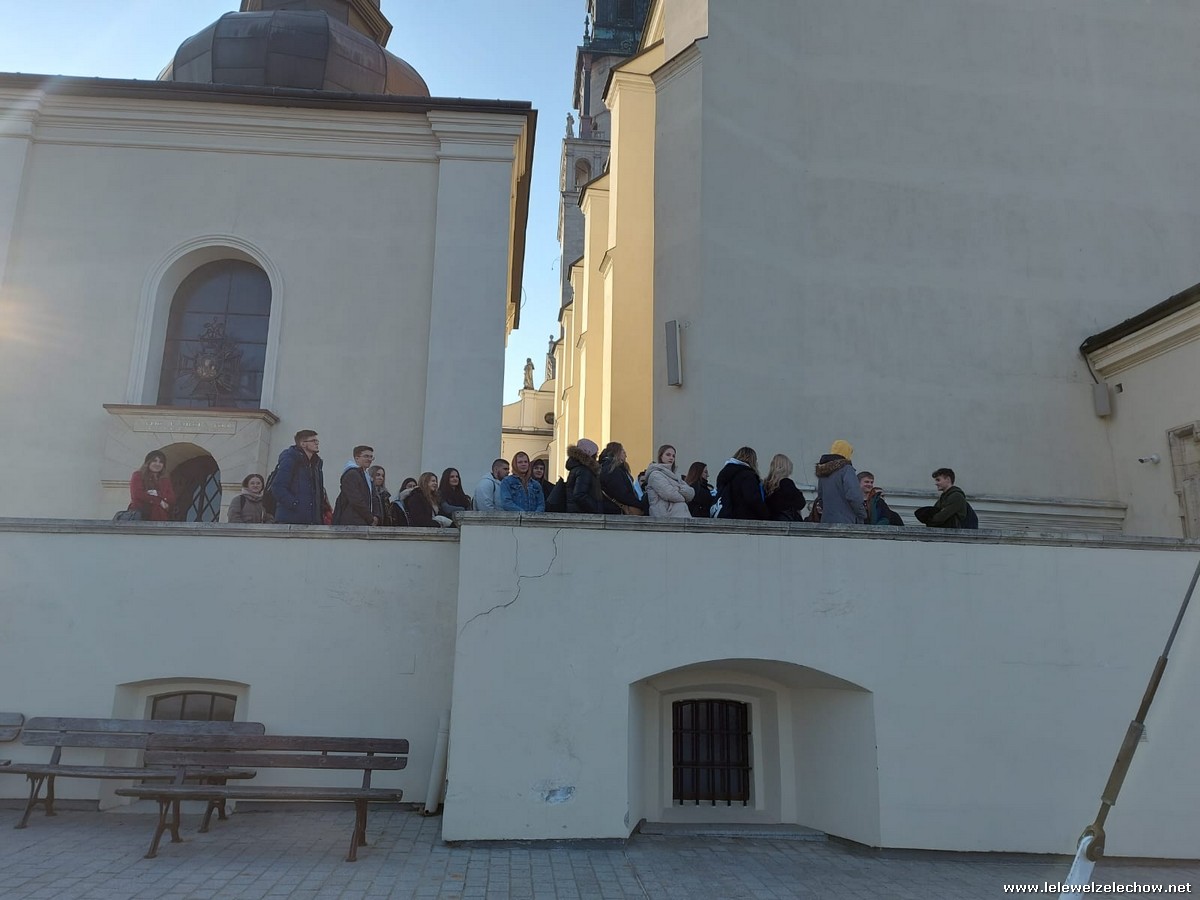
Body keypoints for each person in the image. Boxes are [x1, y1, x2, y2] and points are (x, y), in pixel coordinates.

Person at [272, 429, 325, 525]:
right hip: (291, 520)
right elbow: (277, 487)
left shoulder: (316, 464)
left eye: (317, 441)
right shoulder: (290, 460)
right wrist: (295, 504)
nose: (317, 443)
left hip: (312, 521)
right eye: (313, 441)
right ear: (303, 444)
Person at [814, 440, 865, 524]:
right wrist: (862, 514)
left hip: (826, 521)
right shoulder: (846, 469)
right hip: (846, 522)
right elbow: (854, 496)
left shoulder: (823, 471)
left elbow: (820, 498)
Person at [715, 447, 769, 520]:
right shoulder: (747, 475)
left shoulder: (725, 473)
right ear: (751, 459)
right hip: (745, 517)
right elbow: (753, 499)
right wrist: (765, 514)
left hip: (726, 514)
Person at [645, 444, 694, 518]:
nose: (671, 458)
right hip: (663, 515)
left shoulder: (676, 475)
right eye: (668, 455)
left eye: (673, 456)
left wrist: (677, 489)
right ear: (661, 456)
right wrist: (683, 496)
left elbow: (691, 493)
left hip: (678, 514)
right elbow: (669, 494)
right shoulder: (655, 475)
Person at [599, 442, 647, 515]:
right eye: (623, 452)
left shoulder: (610, 468)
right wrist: (640, 504)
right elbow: (621, 493)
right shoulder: (613, 470)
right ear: (617, 453)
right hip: (616, 510)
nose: (626, 455)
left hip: (614, 509)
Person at [334, 445, 378, 526]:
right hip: (353, 522)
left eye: (371, 457)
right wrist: (370, 518)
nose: (369, 459)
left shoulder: (366, 476)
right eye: (366, 456)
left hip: (363, 521)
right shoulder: (352, 474)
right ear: (357, 458)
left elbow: (373, 498)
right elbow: (356, 499)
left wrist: (376, 516)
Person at [129, 449, 176, 521]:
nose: (157, 464)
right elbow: (137, 494)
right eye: (154, 461)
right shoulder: (138, 475)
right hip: (141, 516)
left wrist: (157, 494)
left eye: (161, 462)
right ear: (148, 462)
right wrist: (159, 501)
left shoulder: (165, 480)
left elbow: (171, 498)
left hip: (162, 516)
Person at [763, 454, 806, 522]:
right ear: (786, 468)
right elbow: (801, 503)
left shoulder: (766, 484)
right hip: (787, 521)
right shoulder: (786, 483)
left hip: (771, 521)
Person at [565, 439, 603, 513]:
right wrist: (596, 507)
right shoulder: (584, 470)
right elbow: (579, 495)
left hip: (577, 511)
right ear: (589, 454)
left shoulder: (577, 468)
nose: (597, 456)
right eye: (595, 453)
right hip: (583, 513)